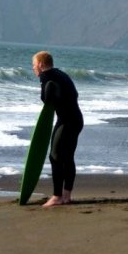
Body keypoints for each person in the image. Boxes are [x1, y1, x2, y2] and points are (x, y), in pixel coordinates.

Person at [32, 51, 84, 207]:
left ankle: (56, 196)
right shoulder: (62, 74)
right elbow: (74, 94)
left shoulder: (46, 76)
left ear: (41, 65)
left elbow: (46, 99)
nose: (33, 68)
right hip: (77, 119)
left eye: (34, 65)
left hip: (66, 122)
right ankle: (66, 195)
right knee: (68, 157)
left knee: (55, 157)